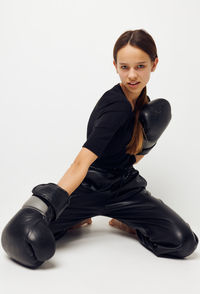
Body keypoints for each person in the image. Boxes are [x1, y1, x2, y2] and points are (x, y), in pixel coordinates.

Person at [1, 29, 199, 269]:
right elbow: (81, 162)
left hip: (124, 188)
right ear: (115, 65)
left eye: (140, 66)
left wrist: (148, 143)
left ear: (154, 64)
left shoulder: (142, 103)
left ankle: (127, 223)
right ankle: (79, 216)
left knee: (184, 243)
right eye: (124, 67)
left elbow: (128, 157)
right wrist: (43, 205)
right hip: (89, 187)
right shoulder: (116, 107)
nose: (132, 75)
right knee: (31, 238)